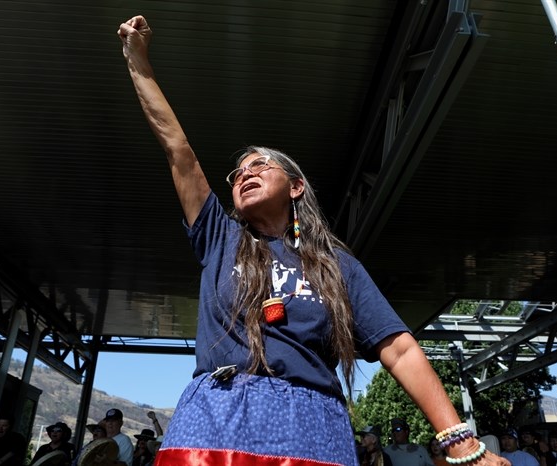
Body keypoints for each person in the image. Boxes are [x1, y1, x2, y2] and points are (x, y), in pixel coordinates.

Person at [117, 14, 508, 466]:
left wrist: (461, 440)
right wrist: (137, 62)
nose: (245, 173)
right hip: (216, 420)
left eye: (261, 165)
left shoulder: (336, 266)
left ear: (296, 187)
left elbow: (399, 349)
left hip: (312, 426)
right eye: (238, 172)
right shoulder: (218, 237)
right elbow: (177, 149)